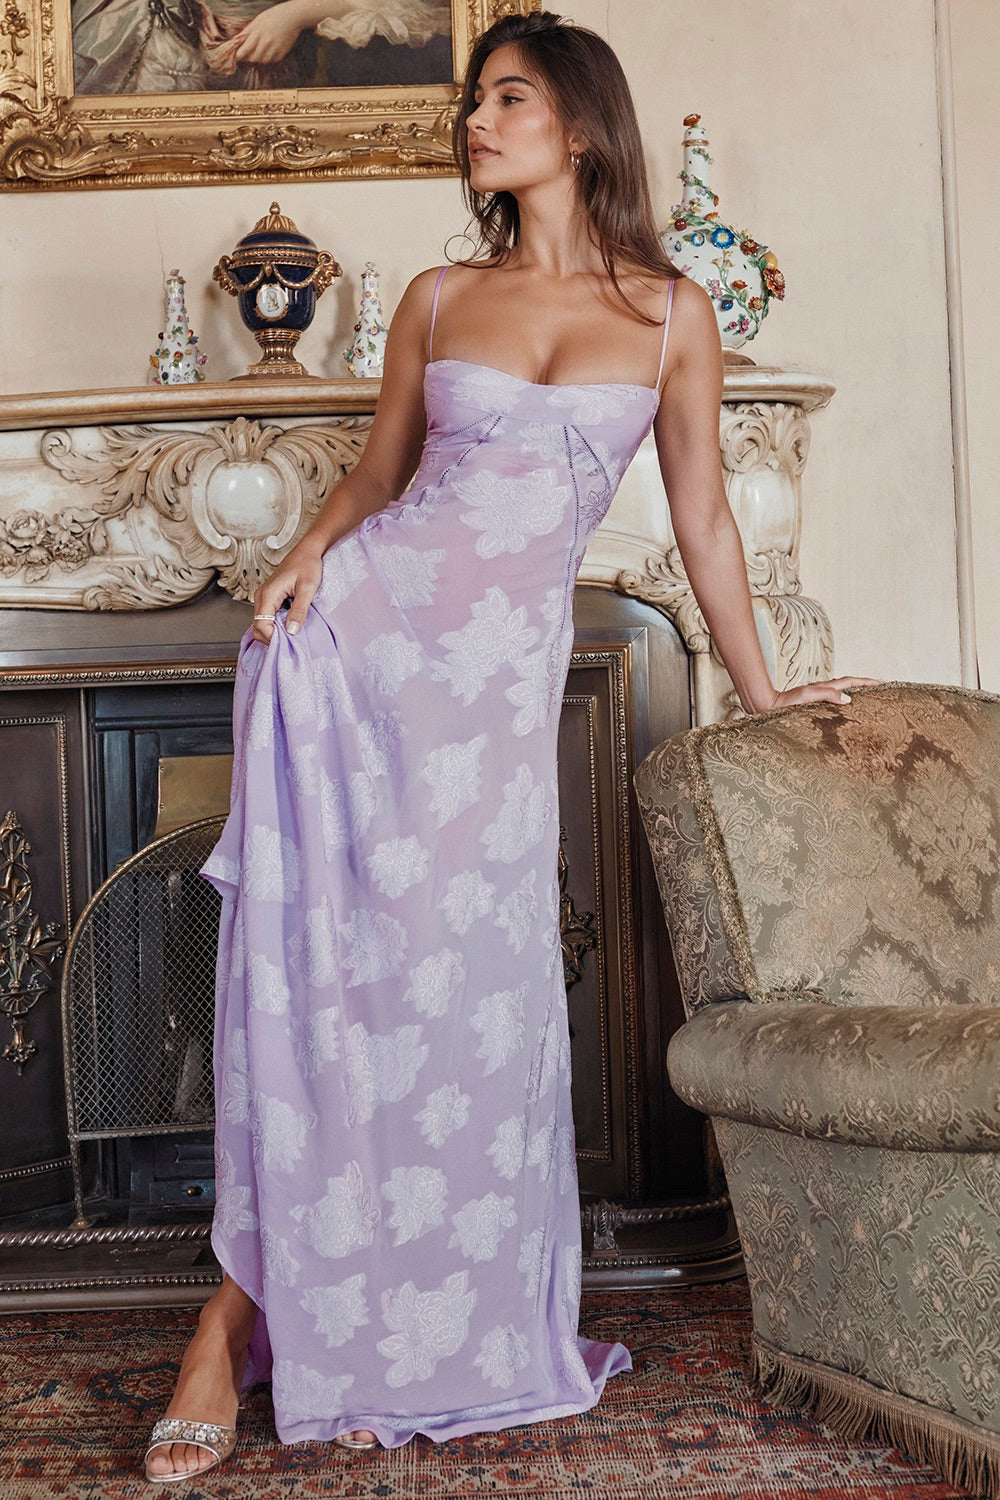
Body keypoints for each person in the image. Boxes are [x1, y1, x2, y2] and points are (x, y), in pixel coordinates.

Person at [143, 10, 876, 1482]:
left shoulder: (671, 314)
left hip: (488, 714)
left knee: (465, 1004)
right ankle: (230, 1323)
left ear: (584, 127)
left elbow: (704, 520)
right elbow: (378, 477)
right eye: (476, 101)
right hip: (358, 654)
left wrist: (757, 687)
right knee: (327, 989)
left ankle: (424, 1323)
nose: (478, 121)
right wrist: (303, 557)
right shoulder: (436, 297)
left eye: (510, 98)